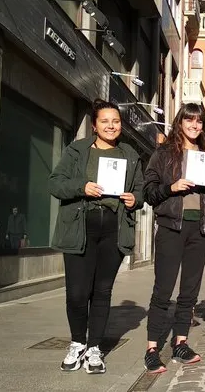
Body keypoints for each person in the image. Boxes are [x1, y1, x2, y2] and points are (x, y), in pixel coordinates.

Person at [49, 99, 144, 374]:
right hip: (80, 226)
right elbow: (55, 183)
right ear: (95, 125)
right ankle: (77, 342)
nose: (111, 126)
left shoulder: (130, 154)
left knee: (102, 292)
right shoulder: (78, 150)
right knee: (77, 293)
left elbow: (141, 190)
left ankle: (94, 348)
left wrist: (134, 198)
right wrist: (82, 187)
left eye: (115, 121)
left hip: (113, 228)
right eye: (105, 121)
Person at [142, 103, 205, 373]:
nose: (195, 126)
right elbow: (149, 192)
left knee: (190, 292)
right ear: (180, 123)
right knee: (163, 290)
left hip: (198, 229)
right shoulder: (163, 153)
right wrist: (171, 187)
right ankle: (152, 348)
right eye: (189, 120)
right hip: (170, 227)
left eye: (199, 121)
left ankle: (180, 343)